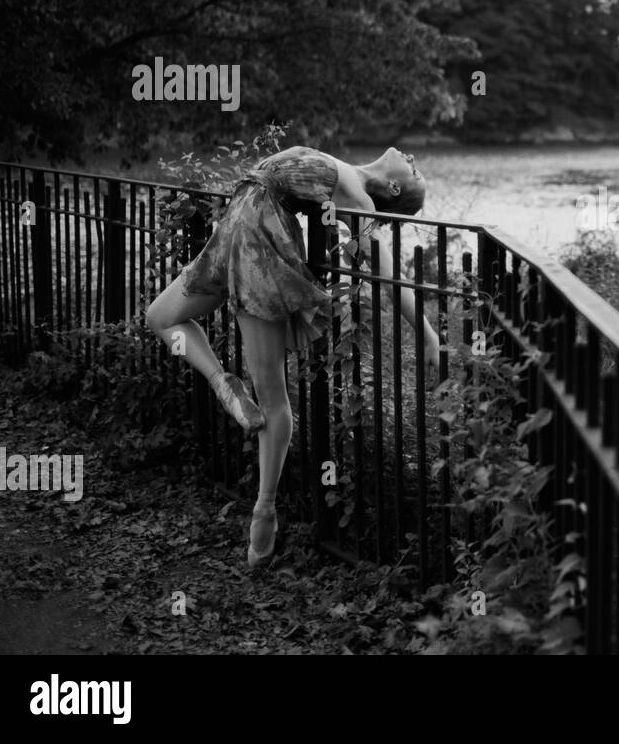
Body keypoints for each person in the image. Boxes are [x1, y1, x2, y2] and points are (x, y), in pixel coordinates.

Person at [144, 145, 439, 567]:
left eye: (415, 170)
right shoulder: (347, 172)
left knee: (272, 397)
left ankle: (265, 510)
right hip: (234, 228)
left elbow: (388, 273)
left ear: (396, 188)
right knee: (160, 316)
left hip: (259, 243)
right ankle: (222, 382)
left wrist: (426, 334)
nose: (412, 158)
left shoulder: (358, 198)